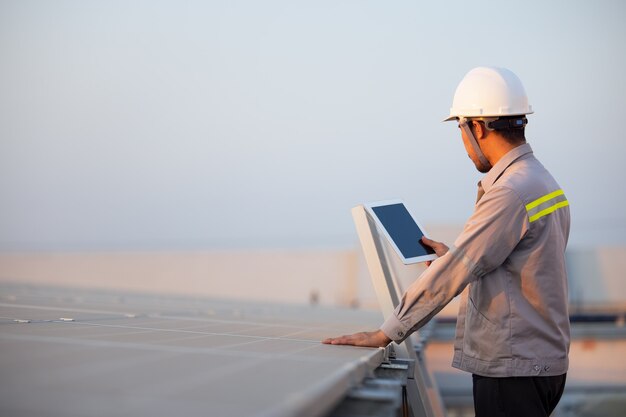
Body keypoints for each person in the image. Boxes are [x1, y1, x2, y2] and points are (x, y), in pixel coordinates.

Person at [323, 66, 571, 417]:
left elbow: (453, 275)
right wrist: (455, 255)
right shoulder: (542, 182)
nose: (463, 142)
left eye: (460, 128)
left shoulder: (509, 193)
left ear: (478, 127)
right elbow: (521, 262)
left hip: (512, 369)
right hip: (541, 364)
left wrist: (385, 333)